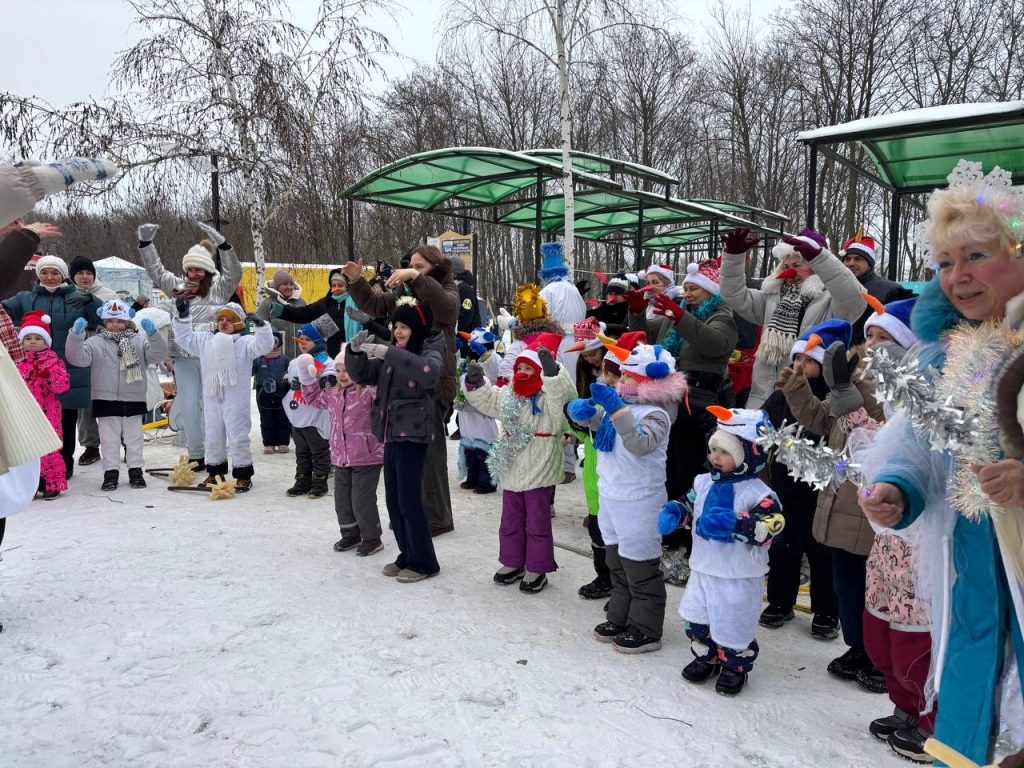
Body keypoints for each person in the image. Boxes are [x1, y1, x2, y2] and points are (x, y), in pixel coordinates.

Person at [858, 159, 1024, 765]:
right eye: (946, 263)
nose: (958, 277)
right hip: (975, 572)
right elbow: (922, 454)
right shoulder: (942, 359)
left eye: (978, 256)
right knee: (973, 712)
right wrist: (899, 492)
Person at [778, 319, 890, 692]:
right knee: (848, 584)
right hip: (841, 497)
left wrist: (851, 390)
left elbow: (876, 431)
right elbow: (821, 419)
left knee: (874, 589)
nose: (871, 344)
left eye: (882, 337)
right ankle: (859, 648)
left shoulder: (889, 389)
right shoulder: (854, 380)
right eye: (869, 335)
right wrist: (797, 385)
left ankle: (880, 658)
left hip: (870, 504)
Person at [569, 340, 687, 653]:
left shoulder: (658, 415)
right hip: (611, 496)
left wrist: (615, 409)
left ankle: (647, 629)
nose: (623, 382)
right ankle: (621, 616)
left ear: (650, 382)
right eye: (624, 377)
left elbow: (638, 443)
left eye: (630, 378)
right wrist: (585, 415)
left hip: (639, 500)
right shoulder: (625, 406)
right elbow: (606, 434)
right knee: (617, 563)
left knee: (641, 567)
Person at [661, 406, 785, 695]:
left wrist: (735, 524)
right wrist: (676, 512)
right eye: (713, 449)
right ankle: (707, 656)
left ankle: (734, 667)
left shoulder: (758, 493)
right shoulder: (702, 483)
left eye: (725, 452)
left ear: (747, 455)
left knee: (733, 625)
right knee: (696, 619)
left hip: (738, 576)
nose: (715, 456)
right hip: (704, 568)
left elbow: (772, 527)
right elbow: (691, 504)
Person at [343, 246, 458, 537]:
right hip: (403, 379)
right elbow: (375, 305)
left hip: (432, 379)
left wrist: (416, 278)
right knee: (407, 457)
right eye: (412, 265)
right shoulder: (404, 292)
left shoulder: (445, 287)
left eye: (421, 266)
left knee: (430, 454)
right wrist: (357, 282)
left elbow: (446, 308)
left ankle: (437, 517)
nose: (415, 269)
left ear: (435, 266)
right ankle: (412, 511)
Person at [464, 338, 576, 594]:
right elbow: (491, 400)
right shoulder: (511, 393)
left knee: (537, 519)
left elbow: (565, 400)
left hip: (540, 461)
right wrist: (475, 383)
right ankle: (513, 561)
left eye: (529, 369)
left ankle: (537, 567)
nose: (523, 374)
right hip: (512, 461)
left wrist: (552, 373)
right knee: (511, 518)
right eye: (520, 369)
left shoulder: (549, 395)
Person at [345, 298, 442, 583]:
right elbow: (362, 374)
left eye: (405, 327)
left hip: (413, 435)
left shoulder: (429, 350)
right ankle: (407, 554)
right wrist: (354, 352)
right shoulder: (390, 358)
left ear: (417, 329)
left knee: (410, 500)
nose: (398, 331)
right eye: (396, 326)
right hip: (390, 434)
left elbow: (429, 373)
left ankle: (424, 561)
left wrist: (388, 352)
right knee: (395, 501)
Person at [760, 319, 846, 639]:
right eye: (798, 358)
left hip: (822, 486)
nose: (800, 364)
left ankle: (827, 611)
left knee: (822, 552)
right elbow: (761, 423)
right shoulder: (782, 395)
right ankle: (781, 602)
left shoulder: (835, 398)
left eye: (809, 360)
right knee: (783, 545)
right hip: (785, 483)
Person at [718, 226, 866, 408]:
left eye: (797, 266)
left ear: (816, 268)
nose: (789, 272)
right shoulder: (771, 298)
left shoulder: (831, 300)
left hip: (808, 403)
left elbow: (854, 297)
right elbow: (734, 294)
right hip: (761, 400)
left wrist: (820, 257)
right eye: (786, 266)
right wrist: (734, 257)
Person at [138, 222, 242, 471]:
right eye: (190, 269)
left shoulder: (218, 291)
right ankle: (196, 453)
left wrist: (223, 246)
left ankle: (216, 452)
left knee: (211, 407)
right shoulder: (178, 290)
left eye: (199, 270)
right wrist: (146, 244)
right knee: (189, 406)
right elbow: (157, 271)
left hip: (210, 358)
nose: (193, 273)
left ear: (207, 272)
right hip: (183, 359)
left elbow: (234, 273)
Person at [2, 254, 103, 478]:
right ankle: (37, 469)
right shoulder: (25, 298)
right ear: (39, 275)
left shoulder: (77, 298)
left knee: (66, 420)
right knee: (36, 421)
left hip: (68, 370)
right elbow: (3, 313)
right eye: (45, 272)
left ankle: (64, 465)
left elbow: (105, 319)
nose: (50, 277)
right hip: (33, 373)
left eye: (55, 272)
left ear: (63, 275)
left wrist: (92, 301)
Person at [66, 299, 168, 492]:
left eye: (119, 321)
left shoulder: (138, 341)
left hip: (133, 398)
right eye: (111, 321)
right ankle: (110, 472)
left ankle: (135, 471)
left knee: (134, 439)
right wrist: (75, 336)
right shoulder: (94, 342)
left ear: (127, 322)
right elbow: (77, 358)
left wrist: (154, 336)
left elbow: (157, 355)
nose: (115, 325)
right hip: (105, 399)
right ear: (104, 322)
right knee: (109, 440)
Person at [173, 299, 273, 492]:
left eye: (229, 319)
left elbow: (264, 346)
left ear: (239, 323)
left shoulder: (245, 343)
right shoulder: (205, 341)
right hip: (212, 398)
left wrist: (262, 326)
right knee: (212, 436)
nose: (224, 322)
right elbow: (184, 339)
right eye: (221, 319)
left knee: (238, 437)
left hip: (236, 400)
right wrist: (184, 317)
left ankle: (243, 475)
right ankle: (215, 473)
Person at [300, 346, 385, 556]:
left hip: (367, 456)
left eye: (347, 370)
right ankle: (350, 534)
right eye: (338, 371)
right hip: (340, 457)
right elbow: (312, 399)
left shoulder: (369, 392)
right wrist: (306, 376)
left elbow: (385, 397)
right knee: (342, 500)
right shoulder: (333, 394)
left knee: (361, 500)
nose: (342, 375)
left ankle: (372, 538)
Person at [67, 256, 117, 468]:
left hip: (106, 351)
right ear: (72, 276)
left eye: (88, 273)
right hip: (79, 352)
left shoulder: (108, 294)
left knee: (113, 396)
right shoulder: (67, 295)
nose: (85, 277)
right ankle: (90, 445)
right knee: (84, 401)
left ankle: (121, 442)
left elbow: (115, 320)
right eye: (80, 273)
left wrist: (93, 303)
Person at [15, 311, 70, 499]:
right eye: (28, 338)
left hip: (47, 413)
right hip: (23, 413)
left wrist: (48, 377)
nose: (32, 342)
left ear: (46, 341)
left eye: (37, 338)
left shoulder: (53, 361)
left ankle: (52, 482)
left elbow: (62, 386)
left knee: (48, 448)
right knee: (26, 450)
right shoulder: (17, 362)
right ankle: (32, 483)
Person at [282, 319, 334, 499]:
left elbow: (330, 381)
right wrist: (288, 382)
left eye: (307, 339)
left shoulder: (326, 362)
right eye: (300, 339)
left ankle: (320, 480)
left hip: (316, 415)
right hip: (297, 414)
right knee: (301, 449)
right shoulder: (294, 362)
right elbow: (290, 380)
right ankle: (302, 479)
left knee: (319, 449)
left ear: (318, 342)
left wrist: (318, 381)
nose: (302, 343)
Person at [839, 229, 915, 345]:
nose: (851, 263)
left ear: (869, 264)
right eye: (847, 259)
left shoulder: (891, 290)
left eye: (858, 259)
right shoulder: (834, 290)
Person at [453, 327, 501, 495]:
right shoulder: (466, 362)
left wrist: (485, 356)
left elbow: (496, 371)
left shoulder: (491, 361)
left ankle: (487, 482)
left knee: (483, 448)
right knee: (469, 448)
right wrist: (456, 350)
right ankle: (472, 477)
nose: (472, 348)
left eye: (475, 345)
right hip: (466, 412)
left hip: (482, 412)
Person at [253, 335, 291, 454]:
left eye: (274, 341)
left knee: (282, 417)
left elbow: (291, 372)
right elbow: (248, 371)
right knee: (266, 418)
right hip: (262, 392)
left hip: (281, 390)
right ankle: (269, 443)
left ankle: (283, 442)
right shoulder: (258, 359)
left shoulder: (284, 359)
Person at [256, 269, 306, 359]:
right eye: (285, 284)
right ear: (277, 287)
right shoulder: (267, 304)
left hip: (300, 356)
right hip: (276, 357)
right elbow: (258, 329)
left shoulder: (301, 303)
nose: (289, 287)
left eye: (291, 284)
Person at [449, 255, 481, 334]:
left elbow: (467, 313)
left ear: (454, 273)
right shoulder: (455, 286)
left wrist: (453, 328)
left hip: (466, 336)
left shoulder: (465, 289)